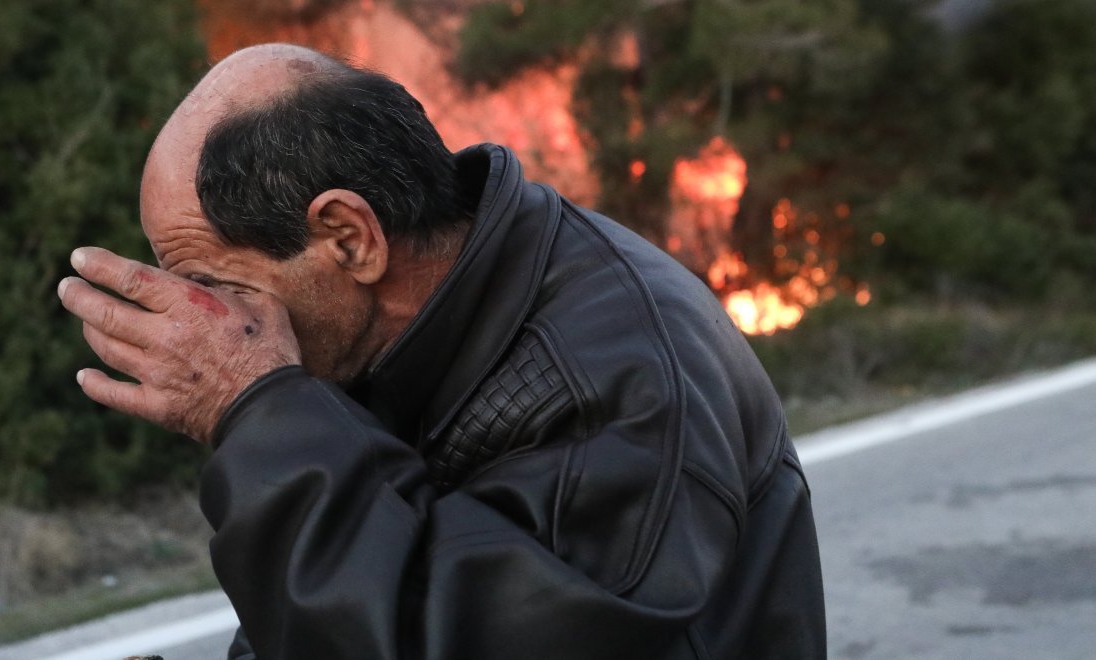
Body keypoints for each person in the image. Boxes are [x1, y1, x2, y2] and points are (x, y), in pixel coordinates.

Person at [57, 44, 825, 659]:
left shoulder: (617, 375)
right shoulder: (395, 335)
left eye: (212, 283)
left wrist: (259, 409)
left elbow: (448, 635)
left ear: (348, 238)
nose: (210, 321)